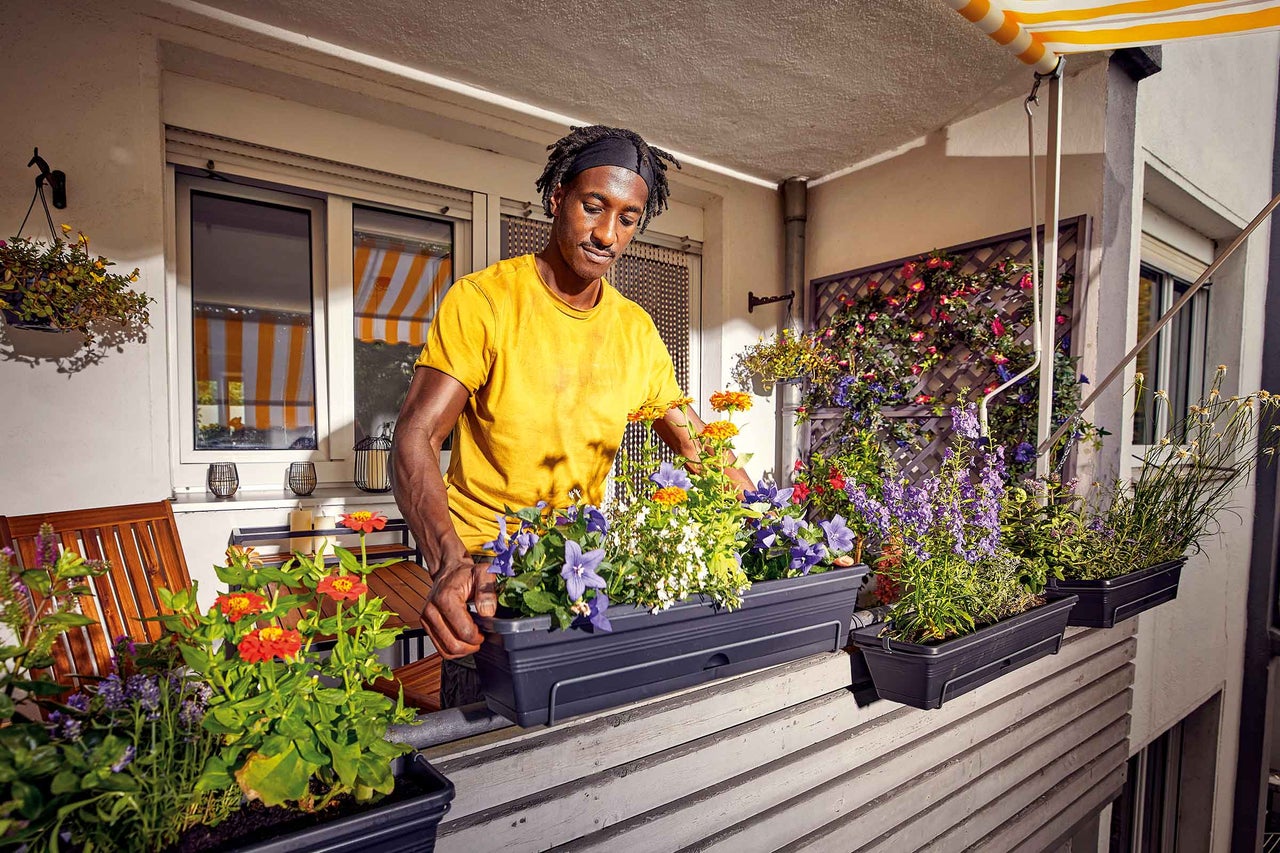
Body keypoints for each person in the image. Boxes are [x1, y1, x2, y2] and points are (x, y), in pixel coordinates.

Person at [393, 125, 752, 704]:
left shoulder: (634, 329)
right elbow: (415, 436)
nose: (608, 234)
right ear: (558, 196)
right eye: (593, 207)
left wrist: (771, 521)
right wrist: (449, 561)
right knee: (491, 741)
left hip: (579, 567)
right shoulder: (485, 301)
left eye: (628, 218)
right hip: (489, 568)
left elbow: (699, 447)